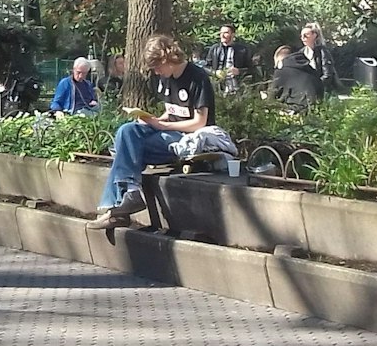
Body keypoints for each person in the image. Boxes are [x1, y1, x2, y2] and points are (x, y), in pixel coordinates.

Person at [88, 34, 216, 230]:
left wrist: (164, 126)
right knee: (126, 131)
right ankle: (130, 192)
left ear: (167, 59)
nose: (156, 72)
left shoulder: (197, 77)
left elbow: (200, 122)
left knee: (127, 149)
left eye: (157, 67)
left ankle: (116, 209)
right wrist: (153, 120)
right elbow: (171, 111)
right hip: (167, 131)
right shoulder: (166, 78)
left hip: (186, 137)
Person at [282, 23, 343, 103]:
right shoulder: (301, 53)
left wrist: (315, 85)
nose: (303, 38)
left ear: (315, 35)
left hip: (323, 92)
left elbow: (328, 75)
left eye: (306, 35)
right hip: (307, 92)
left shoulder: (323, 52)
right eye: (301, 35)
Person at [201, 24, 256, 95]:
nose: (222, 35)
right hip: (218, 86)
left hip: (236, 85)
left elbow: (251, 69)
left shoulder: (242, 50)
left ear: (233, 35)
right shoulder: (214, 49)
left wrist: (239, 71)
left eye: (226, 33)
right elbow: (205, 67)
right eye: (221, 33)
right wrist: (215, 73)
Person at [268, 44, 320, 110]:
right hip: (316, 110)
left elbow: (271, 98)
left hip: (294, 111)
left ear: (280, 61)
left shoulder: (281, 72)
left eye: (276, 65)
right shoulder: (312, 71)